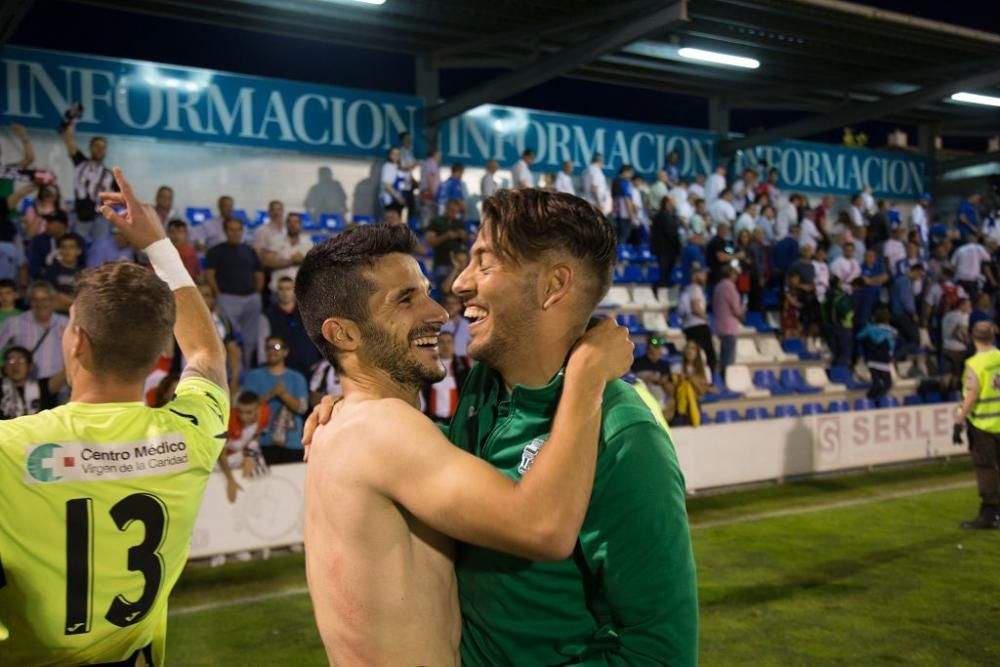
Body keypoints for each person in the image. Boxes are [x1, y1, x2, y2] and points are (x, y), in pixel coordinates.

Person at [304, 190, 697, 666]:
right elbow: (537, 524)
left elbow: (661, 653)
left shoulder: (623, 431)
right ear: (342, 334)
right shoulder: (453, 405)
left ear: (553, 286)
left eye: (483, 264)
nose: (453, 293)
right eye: (406, 298)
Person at [0, 167, 228, 665]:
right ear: (157, 353)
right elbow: (207, 355)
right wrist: (159, 244)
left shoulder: (8, 450)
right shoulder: (191, 434)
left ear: (76, 339)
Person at [954, 321, 1000, 529]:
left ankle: (989, 514)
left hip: (983, 424)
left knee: (986, 468)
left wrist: (959, 420)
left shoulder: (975, 364)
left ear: (973, 338)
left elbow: (971, 396)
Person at [205, 217, 264, 368]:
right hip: (227, 298)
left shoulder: (249, 251)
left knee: (251, 339)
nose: (235, 233)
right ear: (225, 231)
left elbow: (259, 274)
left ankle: (249, 368)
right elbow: (210, 274)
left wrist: (256, 293)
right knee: (230, 337)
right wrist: (219, 295)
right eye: (231, 229)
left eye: (238, 229)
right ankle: (234, 370)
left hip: (250, 298)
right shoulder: (216, 251)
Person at [241, 335, 308, 464]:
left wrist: (284, 395)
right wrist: (271, 394)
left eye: (276, 347)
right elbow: (245, 407)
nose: (272, 351)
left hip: (291, 445)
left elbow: (302, 408)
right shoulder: (253, 376)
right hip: (261, 443)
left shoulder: (297, 378)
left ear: (285, 352)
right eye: (268, 348)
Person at [0, 281, 68, 382]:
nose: (40, 304)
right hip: (27, 385)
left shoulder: (65, 323)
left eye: (45, 299)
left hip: (57, 385)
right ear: (29, 301)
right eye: (34, 300)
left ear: (52, 300)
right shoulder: (15, 322)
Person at [62, 124, 114, 241]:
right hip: (81, 217)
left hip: (101, 218)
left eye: (103, 147)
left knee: (100, 249)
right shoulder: (81, 163)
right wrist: (73, 121)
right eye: (97, 146)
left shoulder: (109, 174)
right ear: (90, 148)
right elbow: (69, 140)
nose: (100, 150)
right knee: (77, 246)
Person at [266, 276, 322, 378]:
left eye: (288, 289)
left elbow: (318, 337)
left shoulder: (308, 312)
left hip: (310, 366)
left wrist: (318, 362)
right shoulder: (269, 315)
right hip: (284, 369)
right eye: (281, 289)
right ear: (276, 292)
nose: (284, 293)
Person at [0, 346, 63, 418]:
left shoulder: (43, 386)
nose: (16, 365)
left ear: (30, 366)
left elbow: (65, 373)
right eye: (11, 360)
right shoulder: (1, 387)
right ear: (4, 367)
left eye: (21, 360)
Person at [422, 330, 470, 423]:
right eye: (442, 342)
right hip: (432, 420)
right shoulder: (428, 366)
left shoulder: (462, 366)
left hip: (455, 421)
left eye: (449, 342)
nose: (445, 346)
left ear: (454, 345)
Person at [262, 211, 313, 293]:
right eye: (290, 222)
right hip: (278, 290)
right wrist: (291, 261)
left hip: (300, 292)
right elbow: (268, 262)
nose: (292, 224)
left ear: (300, 225)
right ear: (286, 224)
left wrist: (303, 260)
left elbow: (313, 267)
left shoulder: (308, 243)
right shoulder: (276, 240)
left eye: (296, 222)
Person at [425, 198, 470, 289]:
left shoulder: (459, 223)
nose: (454, 213)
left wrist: (463, 236)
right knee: (442, 288)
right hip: (442, 262)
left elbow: (468, 242)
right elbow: (429, 241)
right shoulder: (436, 222)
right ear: (447, 209)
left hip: (458, 264)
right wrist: (446, 236)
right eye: (452, 210)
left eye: (456, 211)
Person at [679, 263, 716, 374]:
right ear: (695, 276)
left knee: (694, 355)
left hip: (688, 326)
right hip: (698, 325)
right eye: (703, 274)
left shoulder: (686, 289)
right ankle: (709, 381)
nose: (705, 277)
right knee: (709, 355)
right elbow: (695, 307)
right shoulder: (695, 289)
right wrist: (706, 318)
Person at [857, 306, 896, 403]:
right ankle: (874, 400)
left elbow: (859, 337)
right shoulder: (891, 331)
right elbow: (891, 346)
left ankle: (870, 400)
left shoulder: (869, 329)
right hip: (883, 360)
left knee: (876, 383)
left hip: (871, 359)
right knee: (887, 383)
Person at [713, 265, 744, 378]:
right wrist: (742, 315)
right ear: (731, 275)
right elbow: (736, 309)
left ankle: (722, 378)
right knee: (729, 358)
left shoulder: (718, 287)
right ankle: (727, 380)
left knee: (723, 356)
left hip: (720, 325)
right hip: (730, 327)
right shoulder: (730, 287)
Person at [42, 234, 85, 313]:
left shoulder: (84, 273)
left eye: (71, 247)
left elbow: (86, 300)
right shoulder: (50, 271)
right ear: (59, 250)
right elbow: (52, 302)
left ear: (79, 251)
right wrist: (76, 304)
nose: (67, 251)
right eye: (63, 247)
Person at [672, 340, 711, 427]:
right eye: (687, 348)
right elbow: (674, 390)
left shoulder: (705, 369)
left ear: (697, 352)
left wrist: (692, 379)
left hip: (695, 404)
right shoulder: (676, 368)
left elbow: (703, 391)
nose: (690, 351)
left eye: (693, 348)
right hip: (679, 404)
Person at [651, 194, 681, 288]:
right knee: (664, 271)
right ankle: (659, 287)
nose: (675, 203)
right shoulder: (664, 215)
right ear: (667, 202)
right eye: (673, 201)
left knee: (667, 271)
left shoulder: (668, 214)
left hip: (667, 249)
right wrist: (678, 244)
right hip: (665, 249)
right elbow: (671, 232)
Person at [379, 147, 406, 219]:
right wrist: (398, 197)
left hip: (397, 199)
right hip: (390, 200)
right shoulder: (388, 166)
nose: (396, 156)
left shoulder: (397, 167)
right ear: (389, 155)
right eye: (394, 154)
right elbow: (387, 185)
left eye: (398, 154)